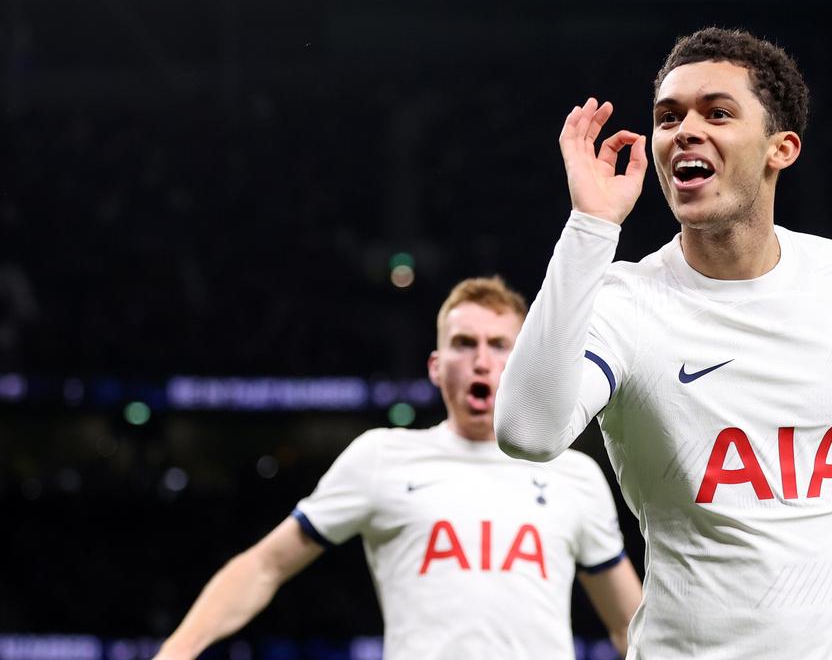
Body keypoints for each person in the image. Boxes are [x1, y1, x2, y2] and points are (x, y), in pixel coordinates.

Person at [494, 28, 832, 659]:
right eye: (668, 118)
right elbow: (527, 432)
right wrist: (589, 226)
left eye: (716, 112)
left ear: (782, 148)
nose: (683, 131)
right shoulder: (624, 302)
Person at [155, 276, 642, 660]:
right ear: (435, 365)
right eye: (463, 343)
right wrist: (177, 650)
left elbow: (629, 626)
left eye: (500, 345)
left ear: (523, 363)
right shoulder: (381, 458)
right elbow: (265, 566)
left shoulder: (574, 476)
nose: (480, 360)